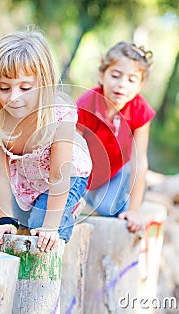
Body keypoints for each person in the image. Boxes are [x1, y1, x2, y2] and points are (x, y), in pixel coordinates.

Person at [0, 27, 92, 253]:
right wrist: (4, 220)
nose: (14, 98)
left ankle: (70, 210)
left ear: (43, 84)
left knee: (41, 232)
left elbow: (59, 174)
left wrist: (50, 226)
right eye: (4, 88)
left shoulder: (59, 114)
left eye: (25, 88)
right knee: (17, 235)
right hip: (25, 180)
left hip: (67, 176)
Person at [76, 41, 155, 233]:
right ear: (102, 75)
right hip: (84, 173)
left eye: (131, 79)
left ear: (140, 84)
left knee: (107, 209)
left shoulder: (140, 111)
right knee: (74, 209)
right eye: (115, 75)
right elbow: (72, 154)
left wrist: (134, 211)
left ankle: (129, 201)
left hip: (117, 172)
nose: (121, 85)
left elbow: (140, 161)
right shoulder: (86, 105)